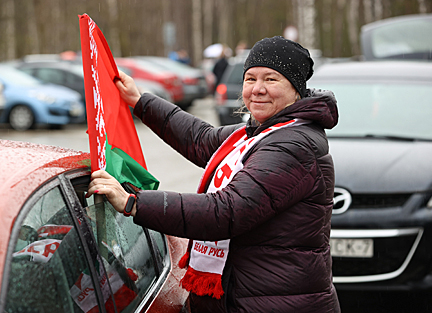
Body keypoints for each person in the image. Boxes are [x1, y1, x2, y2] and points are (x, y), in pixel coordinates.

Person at [87, 36, 340, 313]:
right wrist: (141, 101)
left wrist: (133, 202)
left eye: (271, 80)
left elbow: (226, 211)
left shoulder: (292, 145)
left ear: (296, 90)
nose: (257, 89)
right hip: (253, 296)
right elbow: (201, 139)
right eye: (250, 79)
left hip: (276, 302)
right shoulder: (258, 133)